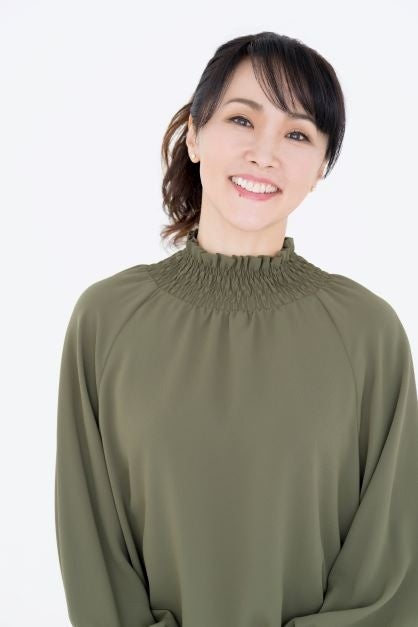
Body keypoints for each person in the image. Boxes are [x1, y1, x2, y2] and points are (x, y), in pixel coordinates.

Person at [54, 31, 418, 627]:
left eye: (298, 134)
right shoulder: (106, 320)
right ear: (194, 135)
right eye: (242, 120)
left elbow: (389, 573)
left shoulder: (368, 335)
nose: (264, 153)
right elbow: (92, 548)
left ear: (320, 168)